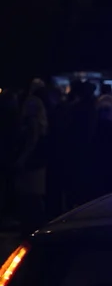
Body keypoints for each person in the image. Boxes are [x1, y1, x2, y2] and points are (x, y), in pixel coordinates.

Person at [14, 95, 48, 236]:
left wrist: (21, 160)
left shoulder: (31, 123)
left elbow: (30, 144)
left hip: (31, 164)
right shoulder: (41, 123)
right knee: (35, 196)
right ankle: (36, 224)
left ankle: (30, 225)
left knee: (29, 196)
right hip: (38, 163)